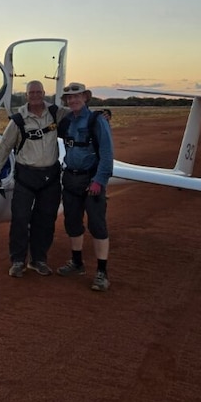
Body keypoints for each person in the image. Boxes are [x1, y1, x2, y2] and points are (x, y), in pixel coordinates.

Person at [0, 80, 68, 278]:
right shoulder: (18, 120)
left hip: (50, 176)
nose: (35, 95)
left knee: (46, 220)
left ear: (43, 93)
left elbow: (78, 113)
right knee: (20, 219)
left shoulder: (56, 112)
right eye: (31, 92)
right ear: (26, 95)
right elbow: (4, 147)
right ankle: (17, 261)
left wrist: (100, 115)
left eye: (38, 92)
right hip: (26, 177)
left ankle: (38, 260)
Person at [55, 82, 115, 291]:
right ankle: (77, 263)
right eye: (69, 98)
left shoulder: (97, 120)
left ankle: (101, 272)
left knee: (97, 225)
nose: (73, 100)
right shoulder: (66, 122)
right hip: (71, 178)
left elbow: (107, 154)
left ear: (85, 97)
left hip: (91, 180)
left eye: (77, 96)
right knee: (72, 223)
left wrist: (99, 181)